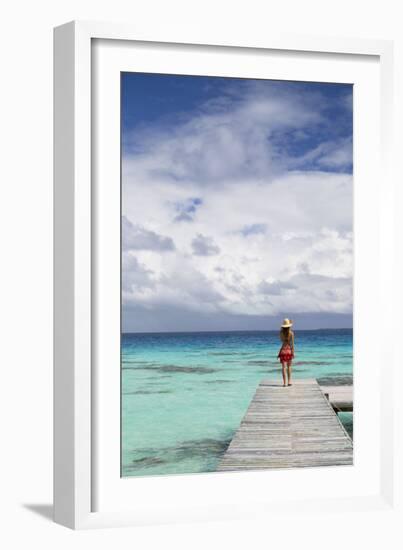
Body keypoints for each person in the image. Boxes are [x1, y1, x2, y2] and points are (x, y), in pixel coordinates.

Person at [277, 318, 295, 387]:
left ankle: (284, 383)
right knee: (289, 366)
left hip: (283, 350)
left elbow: (282, 342)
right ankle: (289, 382)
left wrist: (280, 352)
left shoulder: (281, 333)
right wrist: (293, 352)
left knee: (283, 367)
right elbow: (292, 344)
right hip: (289, 350)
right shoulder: (291, 333)